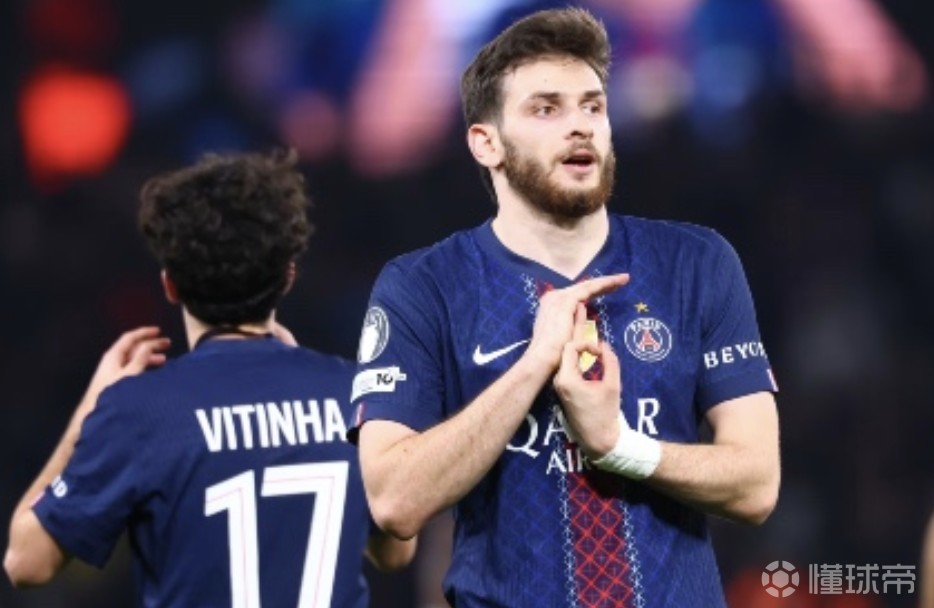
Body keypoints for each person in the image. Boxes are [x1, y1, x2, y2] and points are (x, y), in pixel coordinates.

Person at [350, 7, 779, 607]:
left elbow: (757, 483)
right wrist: (532, 366)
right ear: (487, 143)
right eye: (546, 109)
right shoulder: (424, 286)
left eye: (592, 107)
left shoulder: (695, 262)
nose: (580, 126)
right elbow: (394, 503)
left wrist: (619, 447)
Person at [4, 150, 415, 606]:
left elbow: (26, 563)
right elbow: (396, 551)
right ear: (287, 277)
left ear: (170, 285)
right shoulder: (354, 396)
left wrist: (89, 411)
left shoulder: (141, 412)